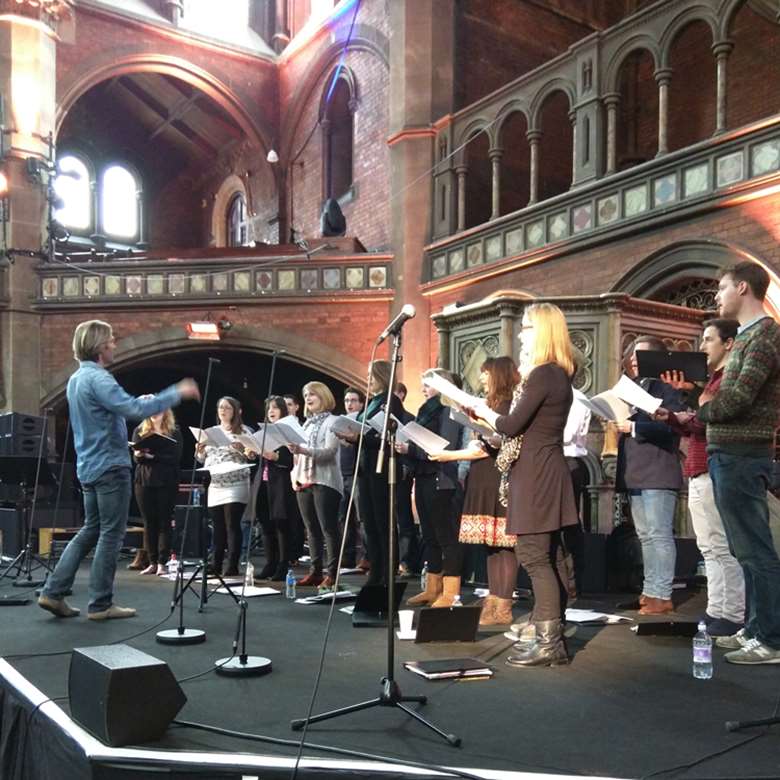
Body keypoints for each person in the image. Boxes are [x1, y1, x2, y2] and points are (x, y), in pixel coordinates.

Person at [38, 320, 199, 620]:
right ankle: (100, 604)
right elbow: (134, 411)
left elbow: (112, 412)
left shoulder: (76, 380)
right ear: (99, 346)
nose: (115, 344)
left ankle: (53, 591)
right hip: (110, 467)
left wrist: (139, 404)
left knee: (91, 530)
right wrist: (176, 392)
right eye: (111, 340)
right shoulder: (100, 379)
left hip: (88, 466)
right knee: (111, 534)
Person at [470, 303, 578, 667]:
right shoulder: (554, 374)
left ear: (543, 331)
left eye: (527, 327)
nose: (520, 333)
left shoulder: (545, 374)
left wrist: (483, 410)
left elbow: (512, 424)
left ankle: (550, 644)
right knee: (547, 557)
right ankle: (551, 633)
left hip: (538, 474)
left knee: (534, 557)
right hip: (541, 469)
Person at [696, 262, 780, 664]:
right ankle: (755, 627)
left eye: (722, 288)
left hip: (744, 455)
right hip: (729, 454)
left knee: (757, 551)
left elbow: (739, 399)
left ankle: (773, 639)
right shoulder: (749, 337)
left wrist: (702, 411)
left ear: (742, 287)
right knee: (743, 549)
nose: (717, 296)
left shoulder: (764, 337)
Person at [655, 318, 745, 637]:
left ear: (729, 343)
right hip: (697, 467)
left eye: (708, 340)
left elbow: (713, 420)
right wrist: (675, 416)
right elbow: (699, 420)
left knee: (722, 546)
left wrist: (688, 408)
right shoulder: (711, 381)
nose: (702, 347)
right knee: (708, 546)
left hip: (714, 467)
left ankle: (732, 614)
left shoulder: (730, 379)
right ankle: (716, 609)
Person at [430, 357, 519, 624]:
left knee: (505, 547)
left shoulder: (508, 406)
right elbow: (479, 445)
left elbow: (500, 443)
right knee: (491, 546)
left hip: (499, 477)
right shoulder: (488, 405)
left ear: (499, 375)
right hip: (481, 477)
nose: (481, 378)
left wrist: (449, 456)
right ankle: (493, 601)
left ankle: (504, 607)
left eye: (485, 373)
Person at [615, 336, 685, 615]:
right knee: (645, 535)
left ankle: (662, 594)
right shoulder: (635, 388)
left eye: (640, 355)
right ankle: (649, 590)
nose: (633, 358)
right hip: (637, 471)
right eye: (632, 354)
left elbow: (672, 428)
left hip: (658, 470)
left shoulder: (667, 386)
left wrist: (632, 428)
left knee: (658, 534)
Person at [398, 369, 464, 607]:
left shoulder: (449, 409)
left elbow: (444, 447)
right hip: (424, 476)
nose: (423, 389)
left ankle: (451, 592)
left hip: (443, 479)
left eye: (428, 385)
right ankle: (433, 588)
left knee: (446, 536)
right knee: (429, 535)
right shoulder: (426, 410)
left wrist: (410, 450)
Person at [336, 360, 405, 585]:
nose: (368, 379)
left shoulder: (390, 401)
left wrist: (359, 438)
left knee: (382, 521)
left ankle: (386, 572)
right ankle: (376, 569)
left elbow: (388, 436)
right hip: (365, 468)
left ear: (383, 376)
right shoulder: (372, 402)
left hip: (381, 468)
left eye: (372, 375)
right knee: (369, 522)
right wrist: (352, 439)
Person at [290, 381, 343, 591]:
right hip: (304, 481)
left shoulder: (333, 421)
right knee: (311, 529)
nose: (308, 399)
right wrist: (295, 475)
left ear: (323, 396)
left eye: (312, 394)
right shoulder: (306, 424)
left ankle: (332, 574)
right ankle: (315, 571)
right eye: (305, 396)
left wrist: (304, 451)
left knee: (328, 528)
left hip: (325, 480)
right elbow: (298, 459)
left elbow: (330, 452)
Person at [195, 397, 256, 577]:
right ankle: (216, 563)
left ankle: (233, 564)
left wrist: (240, 448)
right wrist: (199, 450)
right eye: (220, 407)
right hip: (216, 484)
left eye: (227, 408)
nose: (223, 410)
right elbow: (202, 458)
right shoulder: (210, 431)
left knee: (232, 524)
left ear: (236, 411)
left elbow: (252, 456)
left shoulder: (244, 431)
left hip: (236, 483)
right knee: (218, 526)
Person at [131, 410, 183, 576]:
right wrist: (139, 455)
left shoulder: (174, 432)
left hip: (166, 480)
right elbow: (136, 458)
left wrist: (152, 456)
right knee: (148, 522)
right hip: (144, 480)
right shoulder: (140, 431)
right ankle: (152, 562)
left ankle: (162, 562)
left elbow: (175, 457)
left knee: (164, 521)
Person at [255, 395, 300, 580]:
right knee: (266, 523)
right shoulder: (265, 431)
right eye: (268, 408)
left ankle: (283, 564)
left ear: (282, 410)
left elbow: (291, 459)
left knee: (281, 523)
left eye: (275, 408)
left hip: (282, 482)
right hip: (264, 481)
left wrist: (275, 457)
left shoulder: (288, 430)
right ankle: (270, 563)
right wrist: (253, 451)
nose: (271, 411)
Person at [337, 386, 365, 569]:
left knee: (362, 517)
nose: (350, 404)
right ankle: (347, 556)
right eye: (347, 401)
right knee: (343, 517)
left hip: (360, 473)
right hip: (342, 473)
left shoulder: (364, 421)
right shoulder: (341, 421)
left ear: (361, 403)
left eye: (354, 400)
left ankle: (367, 557)